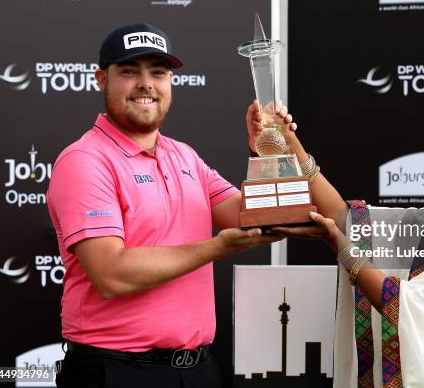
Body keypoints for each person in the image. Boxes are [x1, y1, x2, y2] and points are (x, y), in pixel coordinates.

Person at [46, 22, 293, 388]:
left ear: (170, 82)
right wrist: (215, 247)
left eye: (158, 72)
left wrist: (266, 152)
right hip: (115, 372)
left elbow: (260, 217)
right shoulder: (85, 161)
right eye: (129, 71)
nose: (146, 83)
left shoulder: (185, 157)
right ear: (101, 79)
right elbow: (111, 275)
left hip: (197, 370)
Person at [272, 120, 424, 388]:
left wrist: (338, 243)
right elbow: (343, 217)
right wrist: (289, 141)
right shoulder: (423, 224)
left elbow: (398, 304)